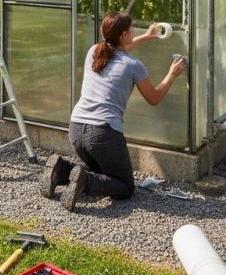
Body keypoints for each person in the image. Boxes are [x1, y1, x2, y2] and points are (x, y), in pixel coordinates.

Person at [39, 11, 186, 211]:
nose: (134, 32)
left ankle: (60, 171)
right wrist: (172, 74)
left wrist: (145, 37)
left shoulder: (94, 51)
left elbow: (118, 50)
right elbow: (154, 98)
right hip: (102, 134)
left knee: (101, 169)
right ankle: (86, 182)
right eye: (131, 30)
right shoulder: (134, 66)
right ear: (124, 35)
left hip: (76, 129)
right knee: (125, 187)